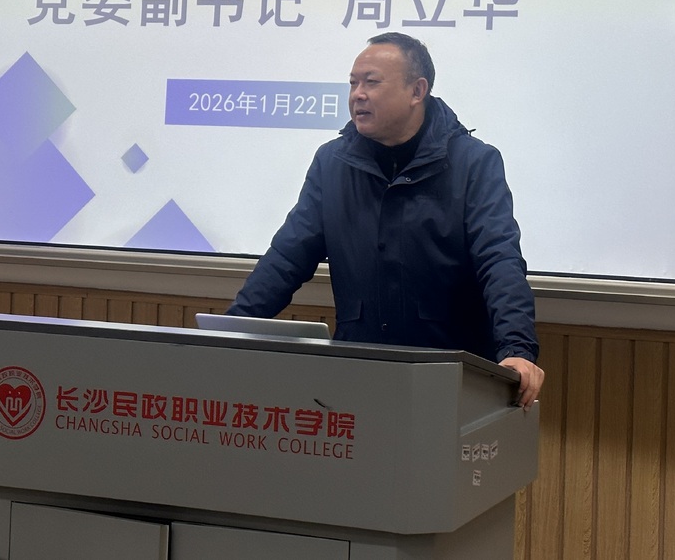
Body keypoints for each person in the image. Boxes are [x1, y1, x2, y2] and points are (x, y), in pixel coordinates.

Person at [227, 32, 544, 410]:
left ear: (417, 91)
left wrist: (516, 349)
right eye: (353, 83)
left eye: (371, 82)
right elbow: (287, 257)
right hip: (358, 373)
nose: (357, 95)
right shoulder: (332, 163)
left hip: (452, 374)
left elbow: (499, 259)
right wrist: (231, 331)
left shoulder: (472, 163)